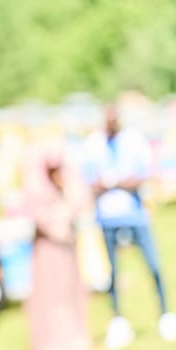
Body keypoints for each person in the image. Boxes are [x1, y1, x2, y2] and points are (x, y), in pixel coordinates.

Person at [83, 104, 176, 348]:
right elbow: (90, 181)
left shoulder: (133, 140)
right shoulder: (93, 144)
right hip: (107, 218)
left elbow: (143, 174)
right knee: (112, 272)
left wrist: (115, 182)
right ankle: (118, 321)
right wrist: (110, 182)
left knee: (153, 266)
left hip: (135, 215)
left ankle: (165, 315)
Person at [22, 141, 91, 350]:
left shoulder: (67, 183)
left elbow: (81, 201)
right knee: (49, 300)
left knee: (70, 296)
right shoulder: (36, 186)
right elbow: (44, 220)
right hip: (47, 252)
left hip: (67, 252)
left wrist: (66, 196)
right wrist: (60, 217)